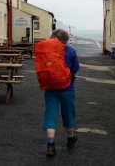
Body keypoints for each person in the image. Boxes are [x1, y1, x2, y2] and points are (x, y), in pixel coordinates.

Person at [42, 29, 79, 157]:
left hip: (50, 87)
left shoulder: (47, 51)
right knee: (68, 113)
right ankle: (71, 137)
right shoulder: (71, 51)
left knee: (51, 115)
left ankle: (51, 145)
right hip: (67, 88)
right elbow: (75, 69)